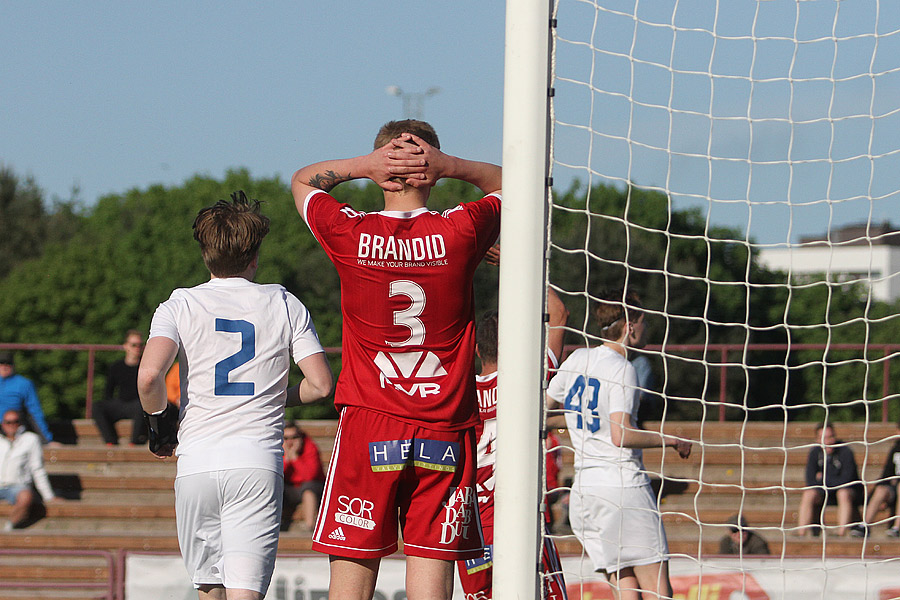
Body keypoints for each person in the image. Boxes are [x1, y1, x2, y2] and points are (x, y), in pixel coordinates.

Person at [291, 119, 501, 600]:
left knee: (352, 577)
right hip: (444, 425)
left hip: (372, 421)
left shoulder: (349, 232)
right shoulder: (462, 230)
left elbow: (302, 180)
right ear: (430, 170)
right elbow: (514, 182)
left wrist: (365, 167)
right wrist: (447, 167)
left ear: (382, 168)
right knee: (431, 571)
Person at [137, 191, 334, 600]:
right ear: (254, 256)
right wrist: (274, 396)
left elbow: (149, 376)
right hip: (255, 461)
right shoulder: (282, 301)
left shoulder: (180, 303)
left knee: (208, 589)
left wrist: (159, 427)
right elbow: (320, 385)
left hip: (197, 463)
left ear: (205, 254)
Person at [546, 288, 692, 600]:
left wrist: (577, 418)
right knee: (656, 585)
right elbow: (621, 434)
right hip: (622, 486)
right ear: (631, 326)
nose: (647, 328)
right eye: (644, 321)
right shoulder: (623, 367)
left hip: (586, 492)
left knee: (624, 580)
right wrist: (670, 440)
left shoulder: (578, 358)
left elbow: (544, 414)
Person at [456, 287, 569, 600]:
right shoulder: (525, 382)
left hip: (473, 532)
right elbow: (559, 314)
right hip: (520, 526)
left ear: (478, 350)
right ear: (516, 346)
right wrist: (513, 255)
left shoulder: (458, 394)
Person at [796, 422, 864, 537]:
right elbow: (810, 480)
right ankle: (801, 533)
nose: (828, 442)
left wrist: (823, 479)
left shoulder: (845, 451)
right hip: (823, 492)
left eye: (831, 437)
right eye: (824, 438)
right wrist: (828, 482)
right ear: (817, 439)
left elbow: (847, 480)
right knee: (808, 494)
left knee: (843, 493)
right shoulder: (814, 453)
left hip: (849, 493)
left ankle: (840, 532)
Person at [0, 409, 60, 530]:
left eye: (15, 421)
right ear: (3, 424)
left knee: (25, 496)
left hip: (18, 486)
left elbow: (37, 469)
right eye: (8, 422)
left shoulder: (30, 440)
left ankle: (8, 528)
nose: (11, 425)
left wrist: (48, 496)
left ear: (20, 423)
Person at [93, 330, 148, 445]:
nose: (137, 348)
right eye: (133, 345)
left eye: (140, 345)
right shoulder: (116, 367)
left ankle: (135, 441)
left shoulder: (146, 366)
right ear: (126, 346)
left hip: (138, 406)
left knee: (141, 406)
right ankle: (111, 441)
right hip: (122, 403)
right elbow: (108, 391)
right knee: (97, 407)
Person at [0, 351, 54, 444]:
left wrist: (47, 439)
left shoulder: (24, 383)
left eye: (8, 364)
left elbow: (35, 411)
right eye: (1, 364)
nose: (4, 367)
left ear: (13, 366)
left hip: (15, 429)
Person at [282, 420, 326, 532]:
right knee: (274, 487)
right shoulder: (278, 449)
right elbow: (277, 474)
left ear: (300, 437)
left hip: (311, 487)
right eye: (286, 438)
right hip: (288, 489)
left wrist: (295, 458)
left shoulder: (310, 447)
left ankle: (309, 526)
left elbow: (310, 476)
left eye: (294, 437)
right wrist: (287, 460)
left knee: (308, 489)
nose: (290, 442)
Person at [861, 420, 900, 536]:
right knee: (881, 489)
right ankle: (865, 525)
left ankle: (897, 527)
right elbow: (886, 475)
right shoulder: (896, 449)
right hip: (894, 490)